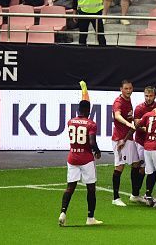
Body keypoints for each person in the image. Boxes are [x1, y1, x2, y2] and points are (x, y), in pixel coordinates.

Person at [58, 97, 103, 226]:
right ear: (89, 111)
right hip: (86, 159)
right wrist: (97, 151)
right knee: (91, 188)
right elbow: (92, 142)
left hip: (72, 157)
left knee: (70, 188)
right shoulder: (91, 124)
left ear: (78, 110)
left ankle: (63, 212)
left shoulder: (70, 122)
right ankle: (90, 217)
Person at [130, 86, 156, 204]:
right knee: (141, 168)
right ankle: (135, 193)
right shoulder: (139, 108)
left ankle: (143, 194)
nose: (148, 98)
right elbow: (137, 126)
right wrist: (151, 129)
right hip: (141, 142)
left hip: (153, 142)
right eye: (146, 96)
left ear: (155, 96)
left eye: (150, 96)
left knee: (149, 169)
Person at [111, 80, 139, 206]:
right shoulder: (118, 102)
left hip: (128, 138)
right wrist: (128, 123)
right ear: (121, 89)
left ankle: (134, 195)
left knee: (136, 164)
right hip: (120, 139)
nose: (129, 91)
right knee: (119, 166)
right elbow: (117, 116)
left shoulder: (128, 101)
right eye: (126, 88)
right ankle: (115, 198)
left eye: (130, 88)